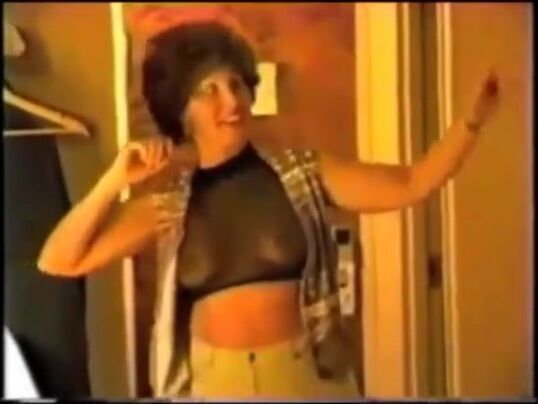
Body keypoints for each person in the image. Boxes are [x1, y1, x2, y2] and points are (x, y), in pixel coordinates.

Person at [37, 8, 499, 400]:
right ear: (181, 111)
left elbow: (412, 183)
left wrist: (471, 122)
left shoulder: (303, 172)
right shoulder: (170, 203)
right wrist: (113, 181)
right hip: (212, 384)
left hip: (302, 378)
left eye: (236, 85)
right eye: (209, 91)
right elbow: (59, 260)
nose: (231, 101)